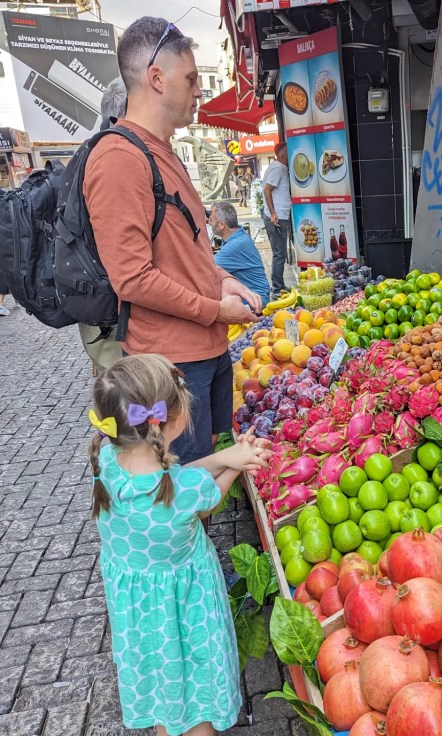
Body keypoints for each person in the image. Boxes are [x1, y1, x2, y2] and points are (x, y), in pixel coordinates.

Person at [83, 17, 262, 465]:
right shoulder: (119, 159)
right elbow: (132, 279)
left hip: (207, 353)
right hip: (169, 370)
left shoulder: (164, 152)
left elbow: (188, 249)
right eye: (191, 79)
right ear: (156, 78)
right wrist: (216, 310)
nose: (200, 90)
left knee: (207, 467)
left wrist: (222, 280)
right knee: (177, 478)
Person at [88, 353, 272, 736]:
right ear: (171, 419)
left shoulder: (107, 460)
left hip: (139, 614)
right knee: (196, 694)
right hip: (186, 610)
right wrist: (236, 465)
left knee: (164, 685)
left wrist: (225, 455)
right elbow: (208, 498)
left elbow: (174, 478)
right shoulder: (184, 491)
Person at [78, 76, 128, 375]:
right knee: (128, 388)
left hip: (100, 306)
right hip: (112, 309)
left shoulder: (93, 151)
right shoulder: (112, 158)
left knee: (114, 378)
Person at [210, 201, 270, 307]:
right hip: (254, 296)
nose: (209, 223)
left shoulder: (235, 245)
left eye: (211, 220)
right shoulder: (238, 234)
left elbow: (207, 269)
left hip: (256, 301)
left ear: (221, 225)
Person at [262, 143, 291, 298]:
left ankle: (279, 284)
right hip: (277, 217)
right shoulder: (278, 168)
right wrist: (273, 214)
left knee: (280, 253)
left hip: (279, 215)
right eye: (288, 152)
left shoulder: (279, 168)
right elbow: (267, 189)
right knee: (279, 254)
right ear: (282, 154)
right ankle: (278, 288)